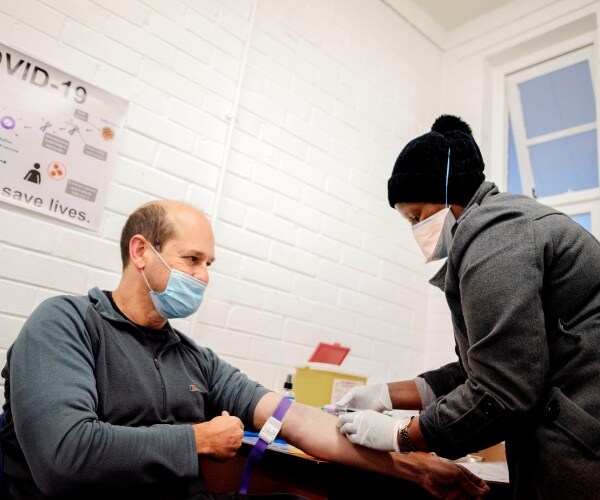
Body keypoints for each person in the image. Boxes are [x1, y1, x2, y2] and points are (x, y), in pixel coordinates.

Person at [0, 200, 489, 499]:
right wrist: (196, 440)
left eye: (208, 262)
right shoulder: (65, 323)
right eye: (191, 259)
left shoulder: (195, 358)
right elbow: (64, 457)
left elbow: (298, 421)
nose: (204, 276)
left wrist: (414, 463)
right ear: (140, 252)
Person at [335, 114, 600, 499]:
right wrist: (384, 395)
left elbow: (502, 390)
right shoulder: (501, 228)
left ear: (448, 191)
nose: (415, 230)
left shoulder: (495, 235)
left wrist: (402, 434)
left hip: (583, 448)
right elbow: (479, 368)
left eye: (417, 216)